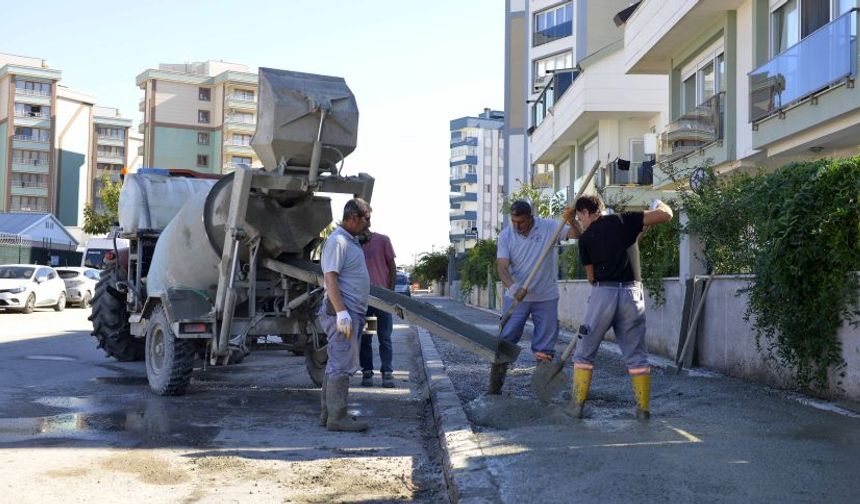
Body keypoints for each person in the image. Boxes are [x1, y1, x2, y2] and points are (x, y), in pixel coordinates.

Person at [568, 195, 673, 420]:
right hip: (632, 295)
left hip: (603, 293)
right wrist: (660, 205)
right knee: (637, 357)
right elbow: (665, 215)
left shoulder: (586, 240)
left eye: (580, 217)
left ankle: (576, 407)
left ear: (587, 212)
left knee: (584, 354)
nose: (580, 221)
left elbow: (591, 277)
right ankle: (643, 410)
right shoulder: (624, 221)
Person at [490, 200, 580, 394]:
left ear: (531, 218)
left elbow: (578, 235)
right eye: (513, 221)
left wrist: (572, 221)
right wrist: (514, 288)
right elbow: (502, 267)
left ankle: (542, 393)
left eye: (521, 222)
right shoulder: (506, 235)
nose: (517, 226)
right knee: (505, 341)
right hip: (516, 298)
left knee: (544, 348)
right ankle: (494, 390)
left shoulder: (549, 227)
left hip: (546, 297)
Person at [318, 198, 373, 432]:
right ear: (352, 218)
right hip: (343, 312)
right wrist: (341, 312)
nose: (369, 223)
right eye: (366, 219)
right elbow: (330, 277)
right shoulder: (338, 241)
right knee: (341, 365)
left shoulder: (349, 240)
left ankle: (328, 414)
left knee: (336, 363)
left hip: (350, 311)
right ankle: (337, 417)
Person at [358, 229, 397, 388]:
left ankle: (387, 372)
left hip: (382, 300)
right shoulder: (354, 243)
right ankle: (367, 372)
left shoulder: (383, 240)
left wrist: (390, 293)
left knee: (385, 338)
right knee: (366, 339)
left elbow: (392, 267)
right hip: (364, 301)